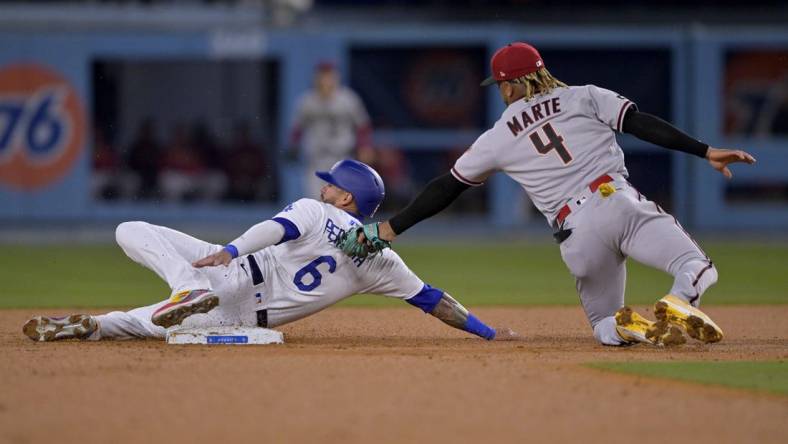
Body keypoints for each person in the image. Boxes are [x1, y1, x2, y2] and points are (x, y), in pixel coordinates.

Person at [338, 42, 757, 347]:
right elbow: (642, 124)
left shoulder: (499, 134)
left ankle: (627, 328)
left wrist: (390, 228)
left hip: (573, 233)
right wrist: (705, 151)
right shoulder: (584, 96)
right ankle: (680, 300)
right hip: (614, 199)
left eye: (502, 84)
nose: (501, 92)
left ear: (514, 84)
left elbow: (445, 188)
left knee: (602, 325)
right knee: (695, 264)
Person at [22, 160, 517, 343]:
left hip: (232, 270)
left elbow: (274, 228)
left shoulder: (316, 210)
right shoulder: (382, 262)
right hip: (240, 319)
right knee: (141, 324)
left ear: (346, 198)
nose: (324, 189)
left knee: (129, 229)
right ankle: (98, 324)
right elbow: (434, 300)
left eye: (331, 186)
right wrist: (487, 332)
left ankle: (183, 287)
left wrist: (231, 249)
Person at [288, 62, 374, 199]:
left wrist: (365, 147)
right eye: (322, 76)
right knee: (316, 201)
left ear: (336, 77)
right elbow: (298, 128)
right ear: (316, 78)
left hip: (342, 158)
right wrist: (293, 148)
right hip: (316, 160)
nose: (326, 80)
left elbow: (362, 126)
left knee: (340, 201)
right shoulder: (307, 101)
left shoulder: (348, 99)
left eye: (329, 76)